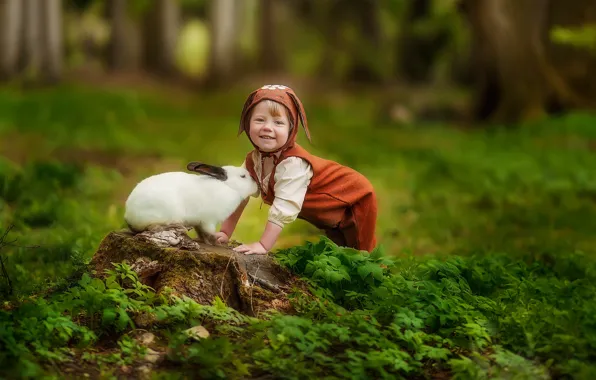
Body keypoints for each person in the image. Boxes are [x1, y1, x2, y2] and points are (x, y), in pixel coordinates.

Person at [215, 84, 378, 254]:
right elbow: (239, 193)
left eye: (278, 122)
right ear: (248, 123)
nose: (267, 127)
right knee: (337, 253)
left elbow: (284, 206)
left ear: (291, 129)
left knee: (361, 255)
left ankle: (379, 277)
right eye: (260, 120)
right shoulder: (254, 160)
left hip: (352, 197)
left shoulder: (293, 164)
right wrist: (225, 232)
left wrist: (263, 245)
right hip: (323, 212)